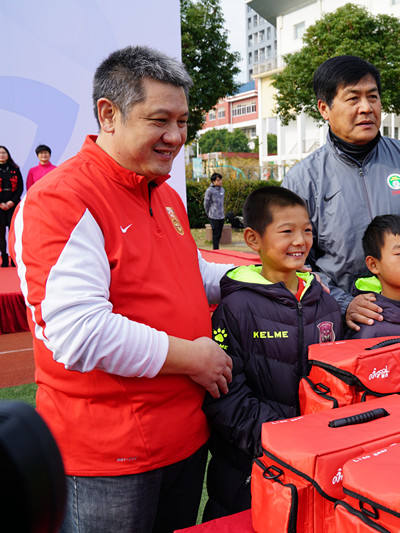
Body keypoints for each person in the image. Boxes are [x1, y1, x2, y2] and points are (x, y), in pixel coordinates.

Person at [10, 46, 234, 533]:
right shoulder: (62, 199)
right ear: (108, 115)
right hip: (107, 460)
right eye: (159, 120)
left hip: (186, 439)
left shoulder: (165, 193)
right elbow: (78, 333)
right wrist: (195, 358)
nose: (175, 137)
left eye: (182, 121)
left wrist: (267, 278)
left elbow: (190, 272)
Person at [282, 55, 400, 333]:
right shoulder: (303, 179)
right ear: (324, 109)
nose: (366, 108)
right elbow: (294, 262)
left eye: (373, 97)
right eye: (353, 99)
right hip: (345, 327)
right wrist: (343, 303)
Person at [202, 186, 341, 520]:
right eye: (287, 231)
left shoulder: (325, 301)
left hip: (316, 461)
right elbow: (226, 397)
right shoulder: (235, 307)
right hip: (251, 467)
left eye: (307, 230)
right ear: (253, 239)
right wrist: (286, 437)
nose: (301, 241)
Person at [0, 145, 22, 268]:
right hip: (0, 207)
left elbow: (20, 188)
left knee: (13, 233)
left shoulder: (15, 168)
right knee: (1, 234)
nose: (2, 155)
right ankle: (3, 257)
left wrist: (11, 202)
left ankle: (14, 258)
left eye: (4, 153)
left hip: (12, 205)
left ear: (8, 154)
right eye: (0, 153)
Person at [204, 172, 225, 249]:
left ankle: (217, 248)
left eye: (220, 180)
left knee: (219, 234)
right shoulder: (209, 190)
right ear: (213, 181)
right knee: (215, 234)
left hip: (221, 216)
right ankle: (215, 250)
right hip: (213, 216)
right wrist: (208, 213)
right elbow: (206, 203)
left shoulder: (222, 189)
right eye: (218, 180)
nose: (220, 181)